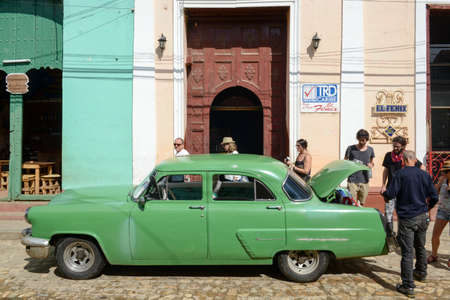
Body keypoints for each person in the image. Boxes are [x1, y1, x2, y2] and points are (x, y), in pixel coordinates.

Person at [382, 150, 438, 298]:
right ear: (415, 160)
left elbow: (391, 193)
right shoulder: (424, 175)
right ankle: (421, 272)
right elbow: (434, 196)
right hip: (422, 216)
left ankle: (408, 285)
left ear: (403, 160)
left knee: (407, 252)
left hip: (407, 218)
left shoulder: (400, 174)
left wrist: (385, 195)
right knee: (420, 247)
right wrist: (428, 208)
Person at [380, 136, 426, 237]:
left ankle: (402, 235)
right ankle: (389, 235)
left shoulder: (408, 156)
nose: (395, 148)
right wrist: (383, 185)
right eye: (394, 146)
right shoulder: (388, 156)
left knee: (402, 213)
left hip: (404, 191)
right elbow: (386, 170)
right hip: (391, 189)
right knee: (388, 214)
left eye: (398, 146)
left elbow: (422, 168)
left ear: (404, 146)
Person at [427, 160, 450, 268]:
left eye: (445, 172)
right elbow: (434, 193)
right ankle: (434, 255)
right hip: (443, 211)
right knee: (435, 235)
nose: (443, 173)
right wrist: (439, 183)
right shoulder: (443, 180)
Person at [344, 129, 375, 206]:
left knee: (362, 203)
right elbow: (345, 161)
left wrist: (371, 165)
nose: (361, 142)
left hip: (365, 180)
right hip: (352, 179)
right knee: (352, 203)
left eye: (363, 140)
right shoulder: (350, 148)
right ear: (357, 138)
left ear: (367, 140)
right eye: (360, 140)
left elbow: (372, 162)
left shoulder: (370, 150)